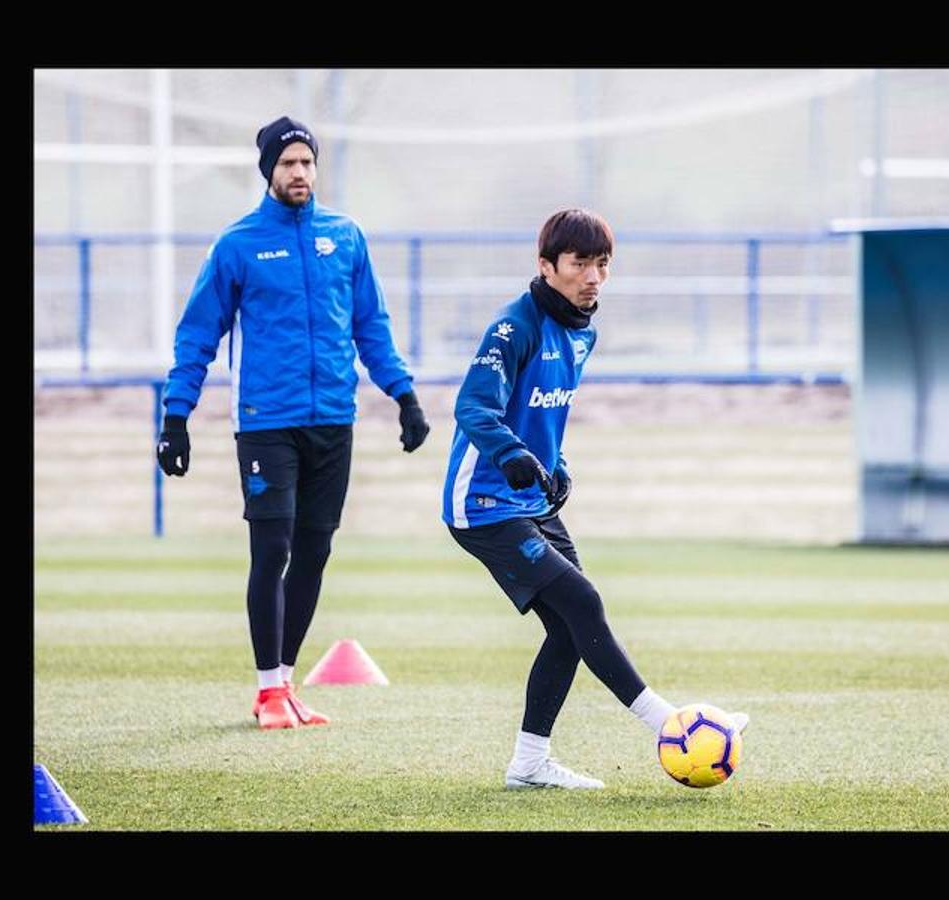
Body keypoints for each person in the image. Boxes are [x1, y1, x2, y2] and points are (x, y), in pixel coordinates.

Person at [442, 209, 747, 789]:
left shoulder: (583, 329)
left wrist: (555, 467)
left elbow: (544, 412)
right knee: (582, 602)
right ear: (546, 266)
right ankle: (670, 724)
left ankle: (529, 764)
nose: (592, 277)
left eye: (602, 264)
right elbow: (473, 408)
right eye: (580, 263)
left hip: (530, 502)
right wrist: (511, 456)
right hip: (481, 504)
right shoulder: (514, 327)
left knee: (568, 628)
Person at [157, 116, 430, 730]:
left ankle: (282, 683)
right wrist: (177, 415)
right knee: (273, 546)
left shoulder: (346, 236)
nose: (300, 172)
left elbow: (371, 327)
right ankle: (265, 687)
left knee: (314, 550)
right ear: (269, 172)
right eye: (288, 163)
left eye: (307, 162)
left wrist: (404, 395)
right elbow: (199, 333)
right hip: (266, 421)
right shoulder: (238, 244)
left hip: (334, 418)